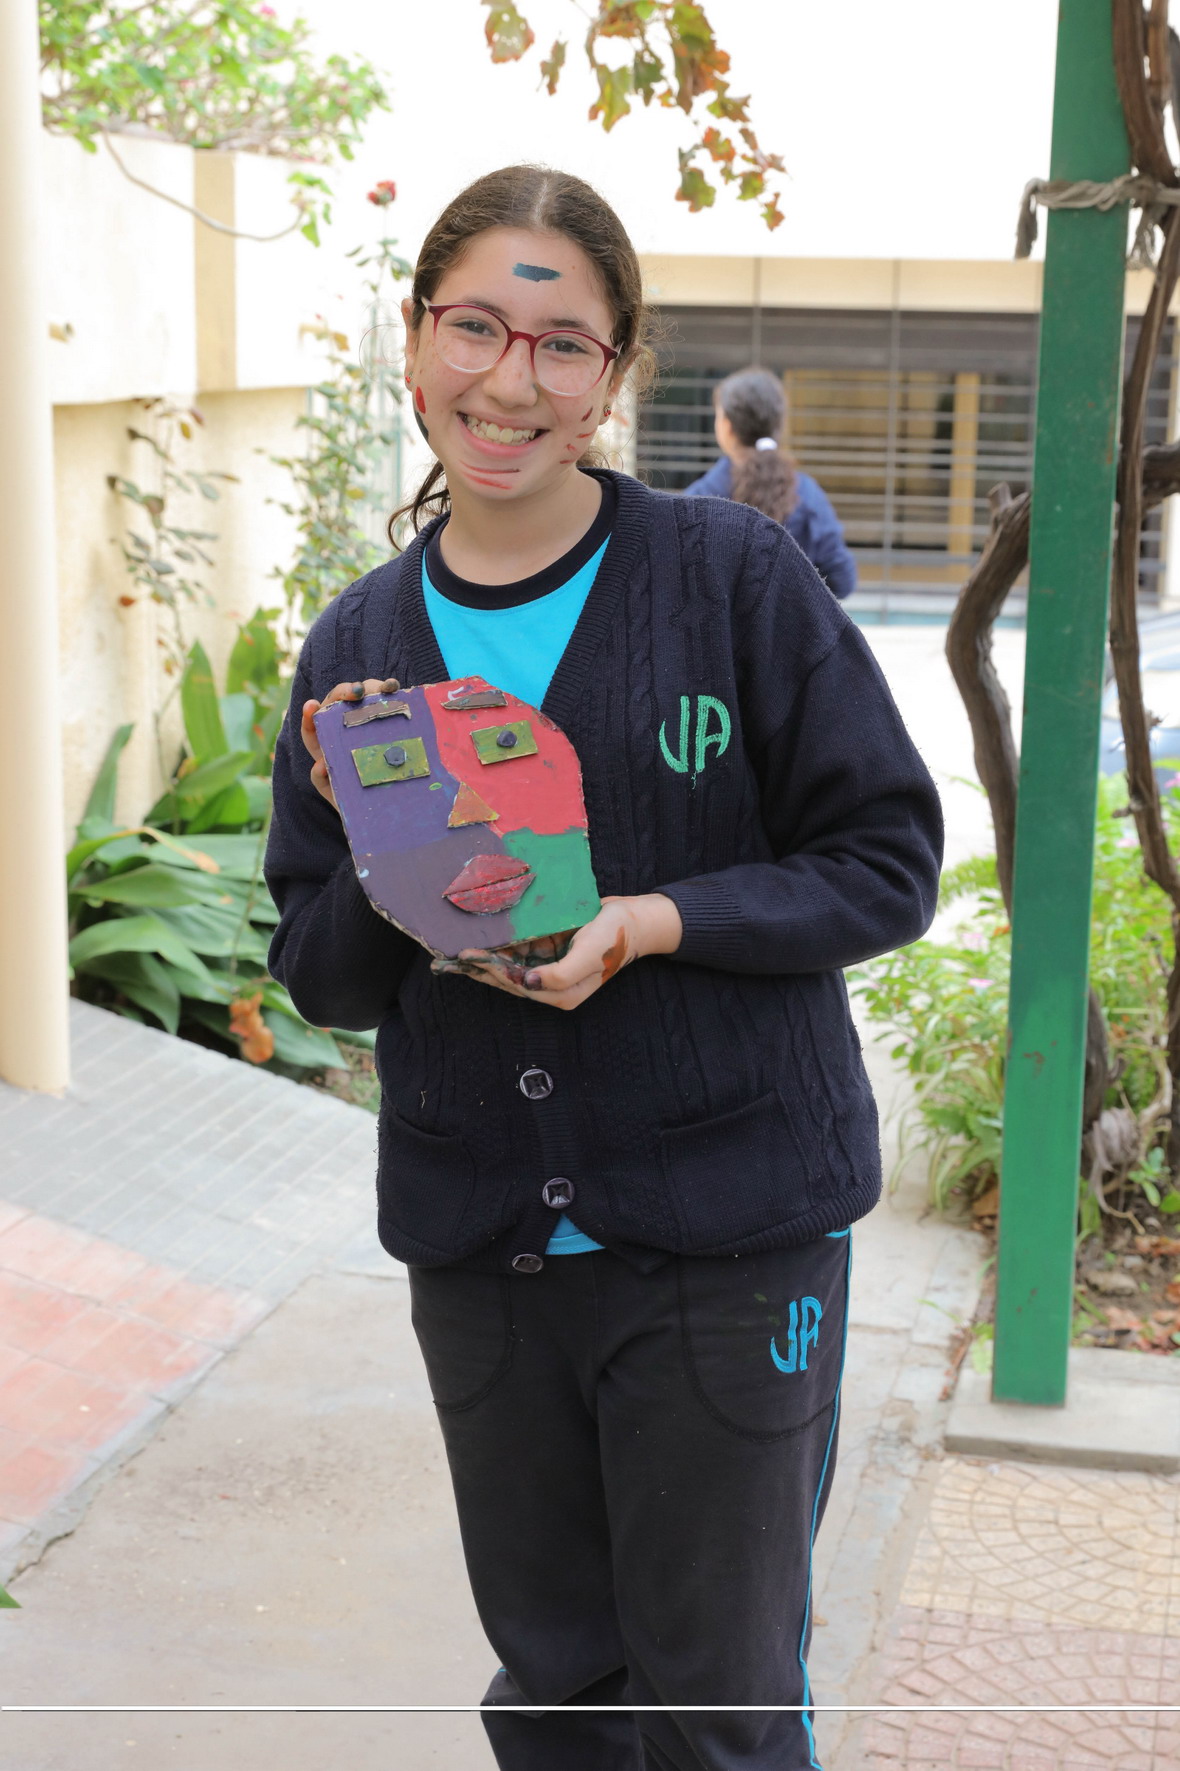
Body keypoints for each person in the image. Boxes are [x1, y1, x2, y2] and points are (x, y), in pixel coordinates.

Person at [265, 164, 942, 1771]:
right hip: (484, 1250)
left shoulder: (734, 581)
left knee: (718, 1702)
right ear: (415, 340)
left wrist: (650, 921)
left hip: (729, 1236)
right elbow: (322, 976)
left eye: (563, 342)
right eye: (476, 327)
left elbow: (887, 859)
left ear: (617, 371)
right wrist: (386, 853)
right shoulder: (358, 649)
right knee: (558, 1687)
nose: (512, 381)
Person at [683, 367, 858, 601]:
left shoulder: (699, 500)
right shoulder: (808, 495)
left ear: (726, 426)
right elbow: (842, 579)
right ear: (779, 424)